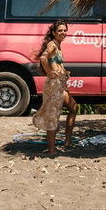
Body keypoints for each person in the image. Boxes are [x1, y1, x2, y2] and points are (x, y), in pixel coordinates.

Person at [32, 20, 78, 154]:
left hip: (60, 84)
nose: (63, 33)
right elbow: (43, 58)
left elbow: (57, 63)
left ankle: (68, 141)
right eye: (60, 31)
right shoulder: (52, 45)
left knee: (73, 108)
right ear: (54, 33)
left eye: (65, 30)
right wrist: (49, 72)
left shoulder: (58, 45)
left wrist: (64, 75)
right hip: (54, 85)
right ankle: (51, 149)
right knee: (53, 116)